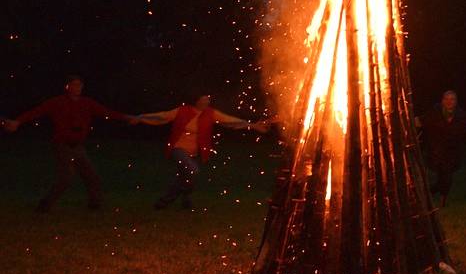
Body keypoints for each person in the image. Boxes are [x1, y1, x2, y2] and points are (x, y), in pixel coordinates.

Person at [3, 75, 139, 212]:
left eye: (79, 85)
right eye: (74, 84)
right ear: (67, 87)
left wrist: (127, 118)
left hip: (78, 146)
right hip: (63, 145)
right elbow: (37, 112)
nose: (77, 87)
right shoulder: (57, 102)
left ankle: (95, 204)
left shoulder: (87, 103)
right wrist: (18, 121)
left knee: (91, 176)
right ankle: (45, 204)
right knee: (66, 177)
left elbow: (107, 112)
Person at [138, 95, 269, 210]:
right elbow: (162, 116)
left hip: (195, 153)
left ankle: (179, 200)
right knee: (192, 171)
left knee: (186, 177)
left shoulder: (210, 113)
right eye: (204, 99)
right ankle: (171, 200)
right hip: (178, 149)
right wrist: (140, 118)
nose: (206, 101)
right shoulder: (183, 110)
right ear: (196, 100)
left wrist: (252, 125)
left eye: (208, 99)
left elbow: (230, 121)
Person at [418, 90, 466, 207]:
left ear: (456, 102)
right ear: (442, 101)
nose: (449, 102)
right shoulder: (435, 113)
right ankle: (433, 198)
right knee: (443, 176)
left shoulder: (460, 115)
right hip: (435, 151)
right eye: (446, 99)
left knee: (446, 176)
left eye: (452, 99)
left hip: (452, 152)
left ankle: (436, 198)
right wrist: (402, 122)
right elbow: (419, 121)